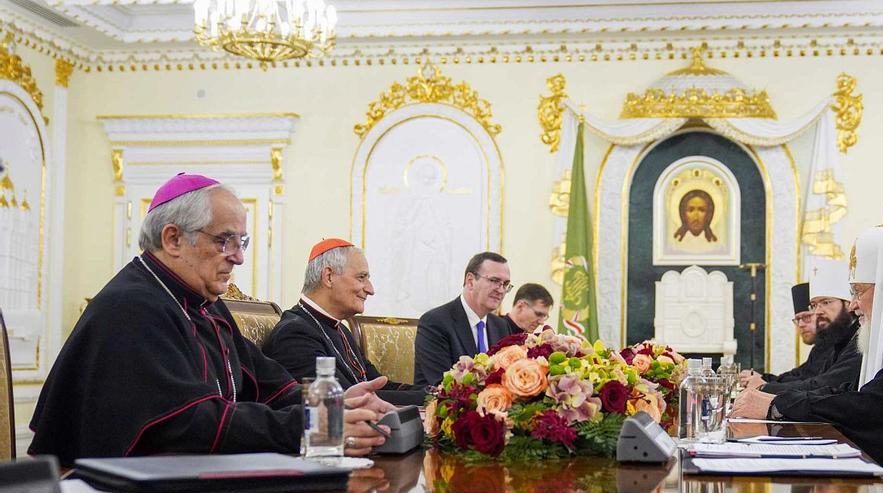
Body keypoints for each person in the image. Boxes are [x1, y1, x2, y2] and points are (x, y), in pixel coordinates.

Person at [28, 173, 392, 466]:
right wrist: (315, 425)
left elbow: (265, 383)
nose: (238, 258)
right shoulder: (133, 307)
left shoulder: (204, 303)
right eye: (225, 241)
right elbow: (188, 424)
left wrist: (333, 403)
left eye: (242, 242)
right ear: (173, 238)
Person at [731, 226, 883, 468]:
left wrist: (777, 405)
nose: (852, 305)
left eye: (858, 291)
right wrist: (776, 399)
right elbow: (847, 391)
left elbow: (866, 408)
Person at [262, 239, 425, 406]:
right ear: (329, 276)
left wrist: (436, 393)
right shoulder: (294, 335)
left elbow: (379, 385)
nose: (370, 289)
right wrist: (433, 400)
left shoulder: (339, 329)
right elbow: (345, 400)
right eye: (361, 277)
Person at [741, 258, 862, 396]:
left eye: (826, 302)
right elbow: (803, 376)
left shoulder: (859, 340)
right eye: (815, 305)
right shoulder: (838, 339)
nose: (818, 312)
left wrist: (764, 386)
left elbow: (823, 385)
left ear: (849, 304)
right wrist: (764, 381)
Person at [412, 251, 521, 387]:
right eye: (494, 281)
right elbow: (442, 384)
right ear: (470, 281)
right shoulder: (435, 322)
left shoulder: (501, 326)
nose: (501, 290)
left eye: (505, 284)